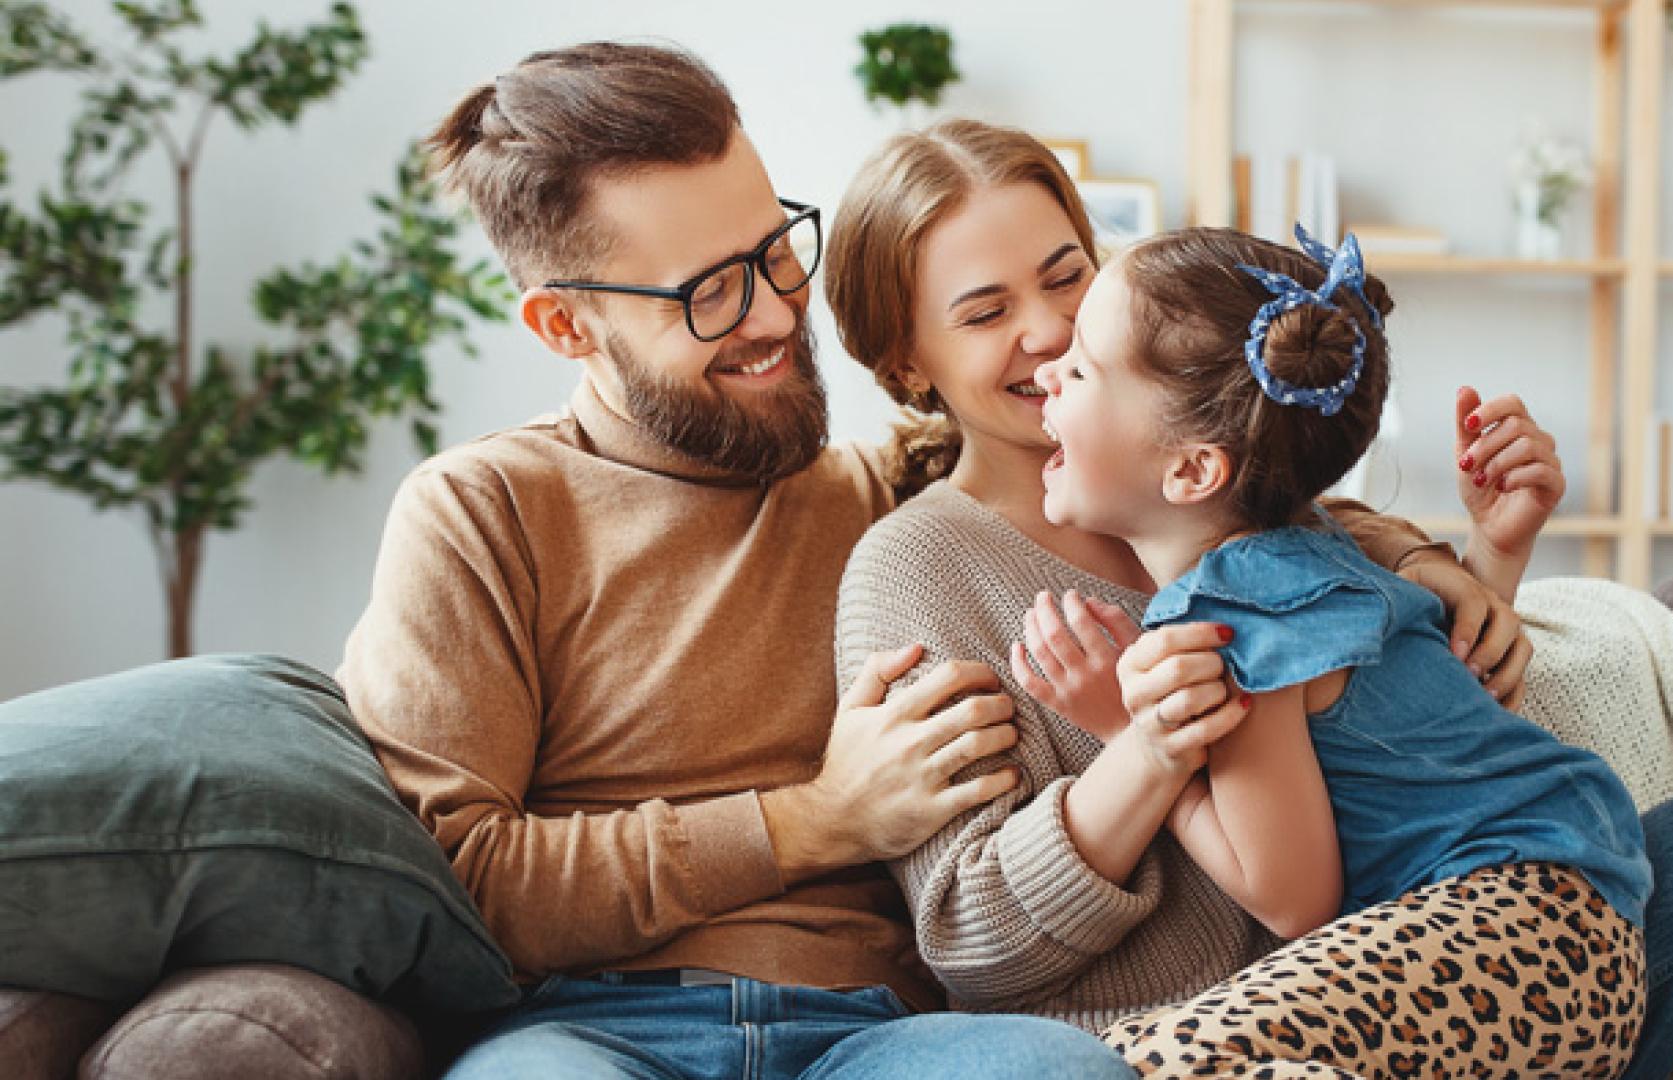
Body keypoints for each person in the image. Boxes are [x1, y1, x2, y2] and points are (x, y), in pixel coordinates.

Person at [826, 117, 1673, 1079]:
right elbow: (970, 936)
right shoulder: (917, 568)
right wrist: (1144, 747)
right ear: (904, 360)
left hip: (1464, 971)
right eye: (985, 312)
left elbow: (1421, 724)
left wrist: (1486, 562)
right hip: (1226, 1029)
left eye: (1067, 277)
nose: (1051, 330)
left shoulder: (1252, 514)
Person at [334, 42, 1136, 1079]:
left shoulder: (890, 492)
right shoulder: (484, 515)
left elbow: (1185, 475)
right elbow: (457, 880)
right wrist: (814, 820)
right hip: (587, 1029)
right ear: (565, 323)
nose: (773, 313)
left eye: (774, 250)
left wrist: (1412, 564)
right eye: (708, 292)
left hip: (879, 1033)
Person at [1031, 222, 1652, 1073]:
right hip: (1573, 922)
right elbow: (1429, 732)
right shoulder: (1314, 548)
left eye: (1078, 370)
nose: (1044, 375)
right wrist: (1491, 561)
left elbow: (1293, 899)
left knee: (1149, 1061)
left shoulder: (1235, 611)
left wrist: (1126, 735)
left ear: (1191, 472)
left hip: (1525, 930)